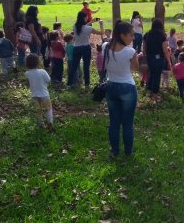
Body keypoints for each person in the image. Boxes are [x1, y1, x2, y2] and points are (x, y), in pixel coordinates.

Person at [102, 20, 138, 158]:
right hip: (127, 87)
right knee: (128, 123)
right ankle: (128, 151)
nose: (133, 38)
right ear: (122, 35)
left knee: (114, 122)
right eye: (131, 35)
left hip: (111, 87)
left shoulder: (106, 46)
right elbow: (135, 68)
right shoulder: (130, 51)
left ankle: (115, 151)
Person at [67, 11, 103, 88]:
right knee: (86, 67)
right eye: (86, 17)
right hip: (86, 48)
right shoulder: (89, 28)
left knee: (74, 66)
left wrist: (91, 21)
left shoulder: (75, 26)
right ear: (84, 18)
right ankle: (87, 84)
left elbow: (83, 28)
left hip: (76, 48)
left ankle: (69, 83)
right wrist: (101, 24)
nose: (87, 18)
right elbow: (101, 33)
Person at [25, 54, 54, 132]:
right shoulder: (42, 71)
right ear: (38, 63)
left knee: (38, 110)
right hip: (44, 95)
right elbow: (48, 80)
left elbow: (27, 83)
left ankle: (41, 124)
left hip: (34, 96)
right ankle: (50, 122)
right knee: (48, 109)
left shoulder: (27, 73)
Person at [143, 19, 169, 102]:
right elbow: (165, 50)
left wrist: (146, 56)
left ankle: (149, 91)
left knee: (151, 73)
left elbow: (144, 48)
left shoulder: (147, 34)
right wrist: (168, 60)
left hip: (149, 57)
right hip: (159, 58)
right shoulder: (162, 35)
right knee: (157, 76)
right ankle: (155, 95)